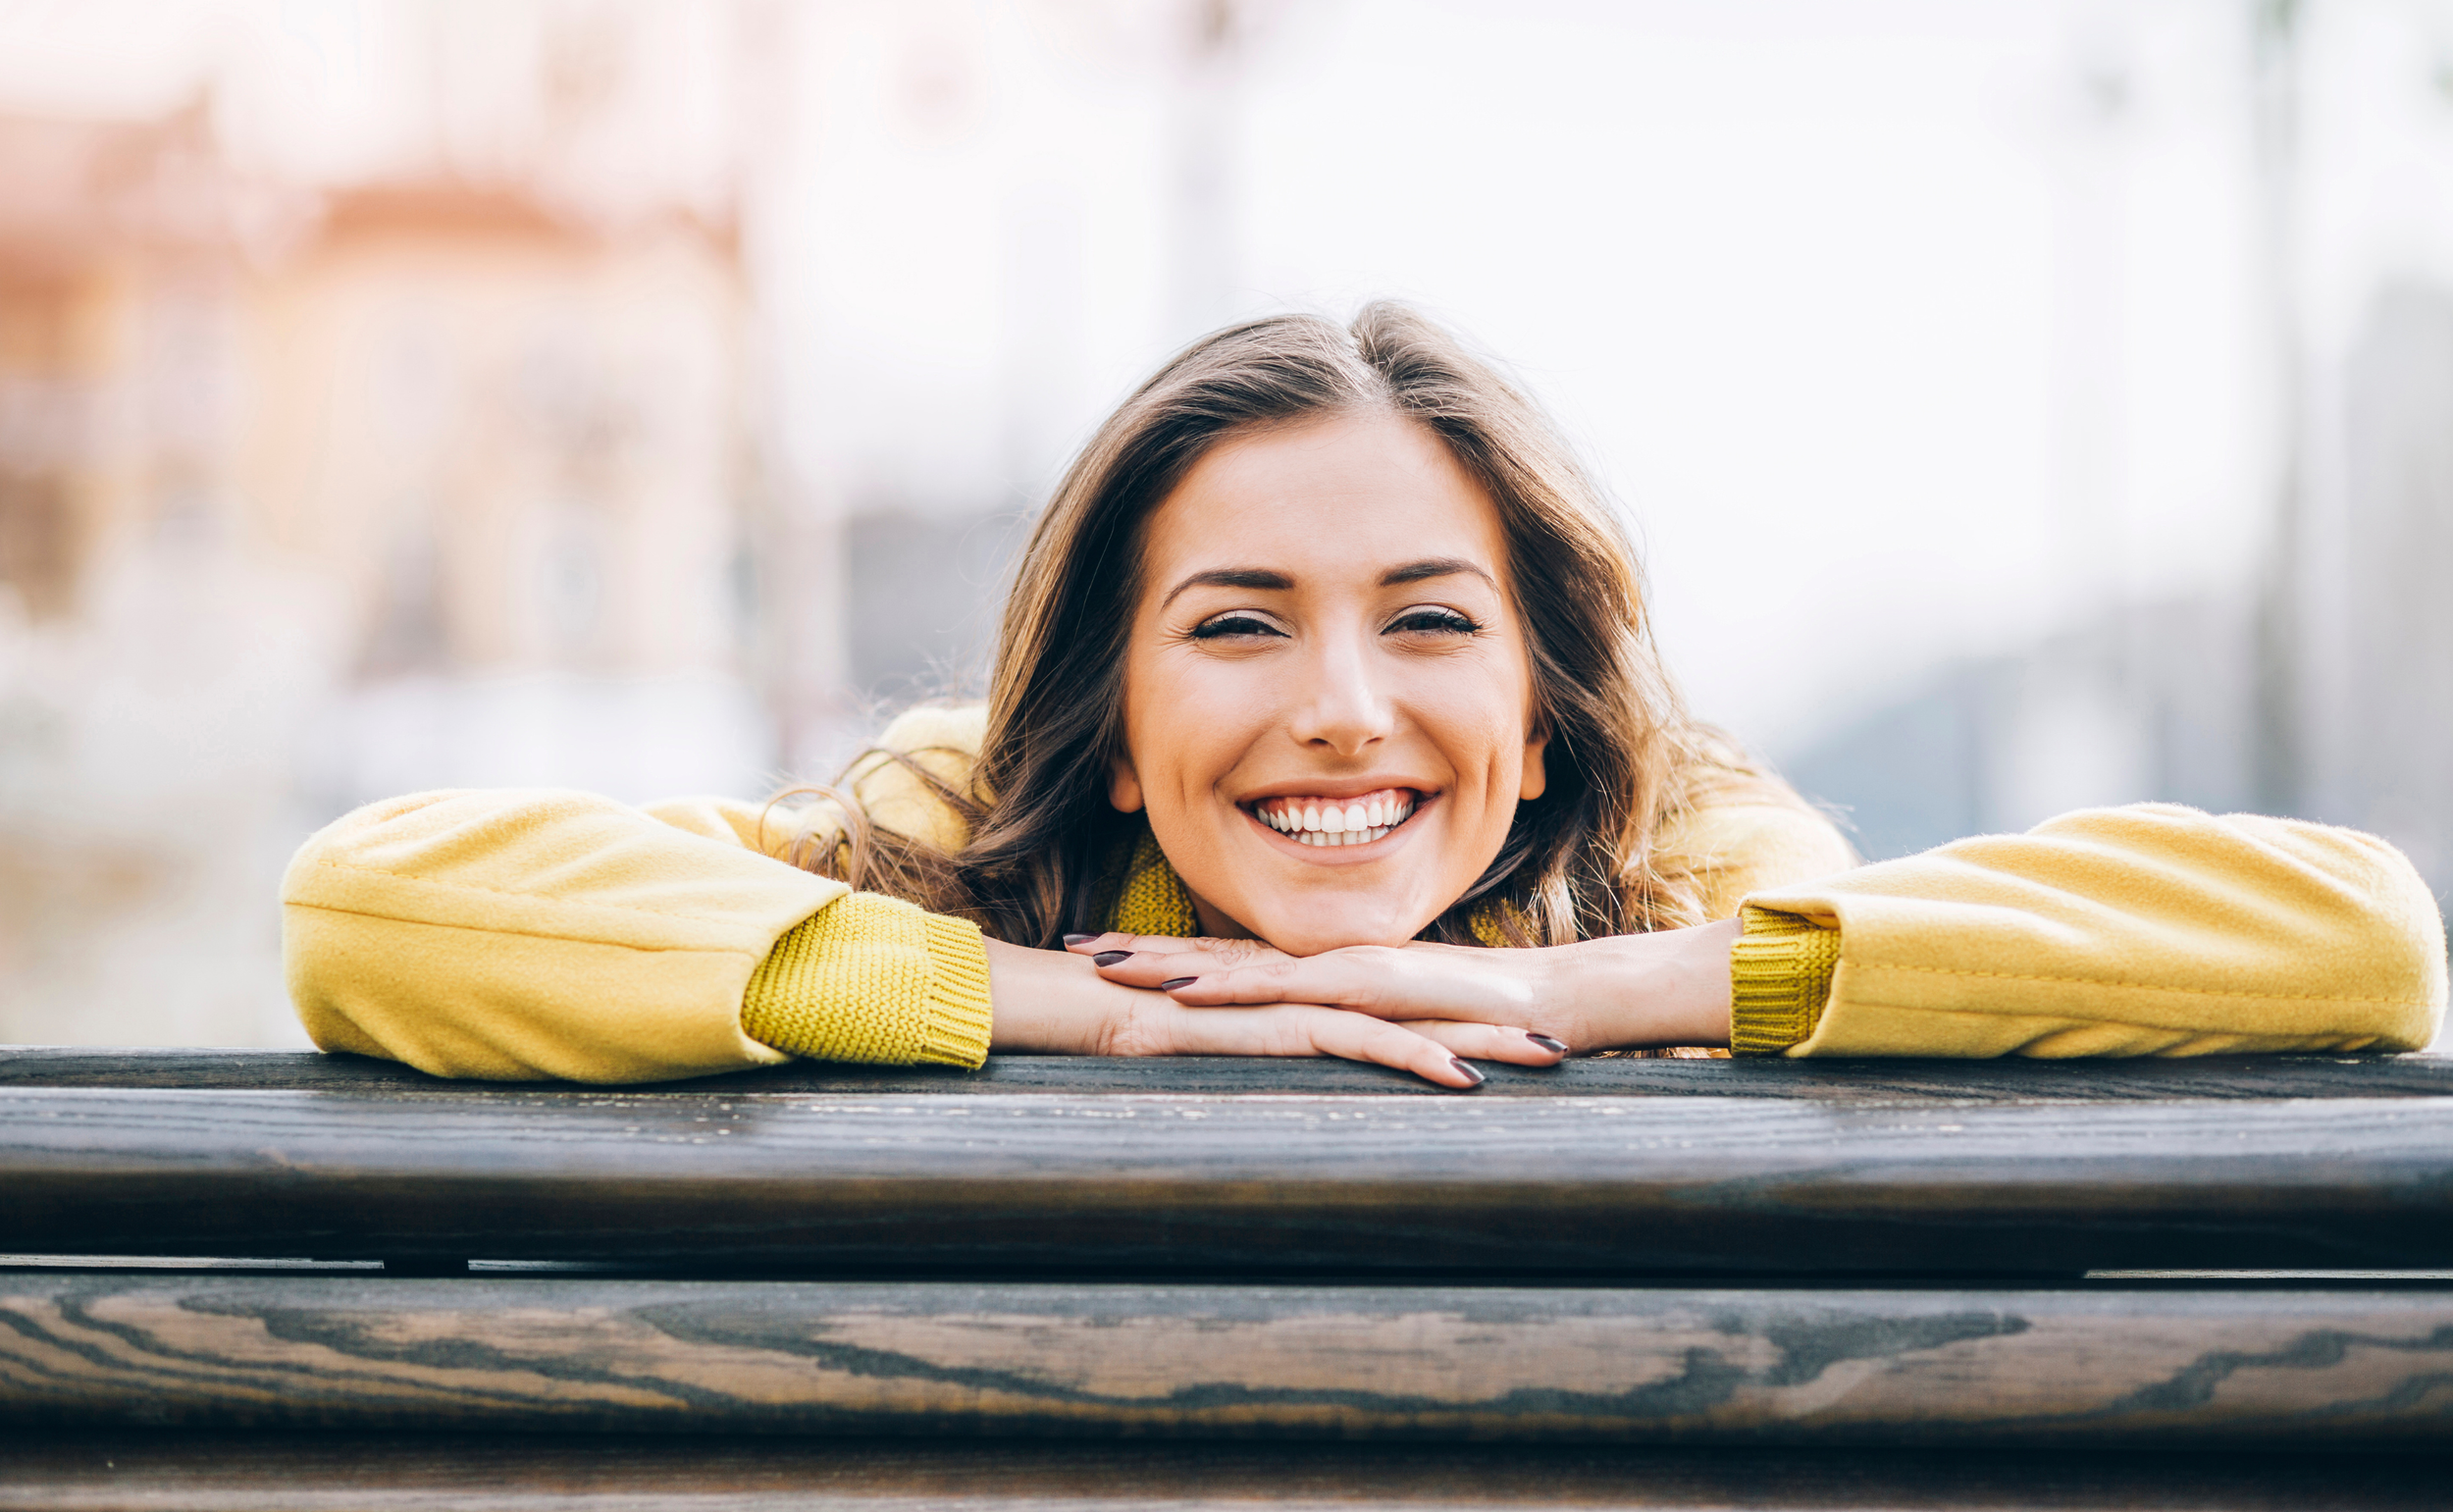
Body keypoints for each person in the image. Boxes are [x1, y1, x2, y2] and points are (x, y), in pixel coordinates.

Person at [283, 305, 2447, 1085]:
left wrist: (1581, 999)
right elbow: (366, 903)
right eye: (1235, 622)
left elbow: (2354, 931)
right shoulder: (958, 834)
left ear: (1534, 711)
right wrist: (1051, 999)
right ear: (1108, 712)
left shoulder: (1681, 868)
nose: (1341, 705)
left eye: (1427, 622)